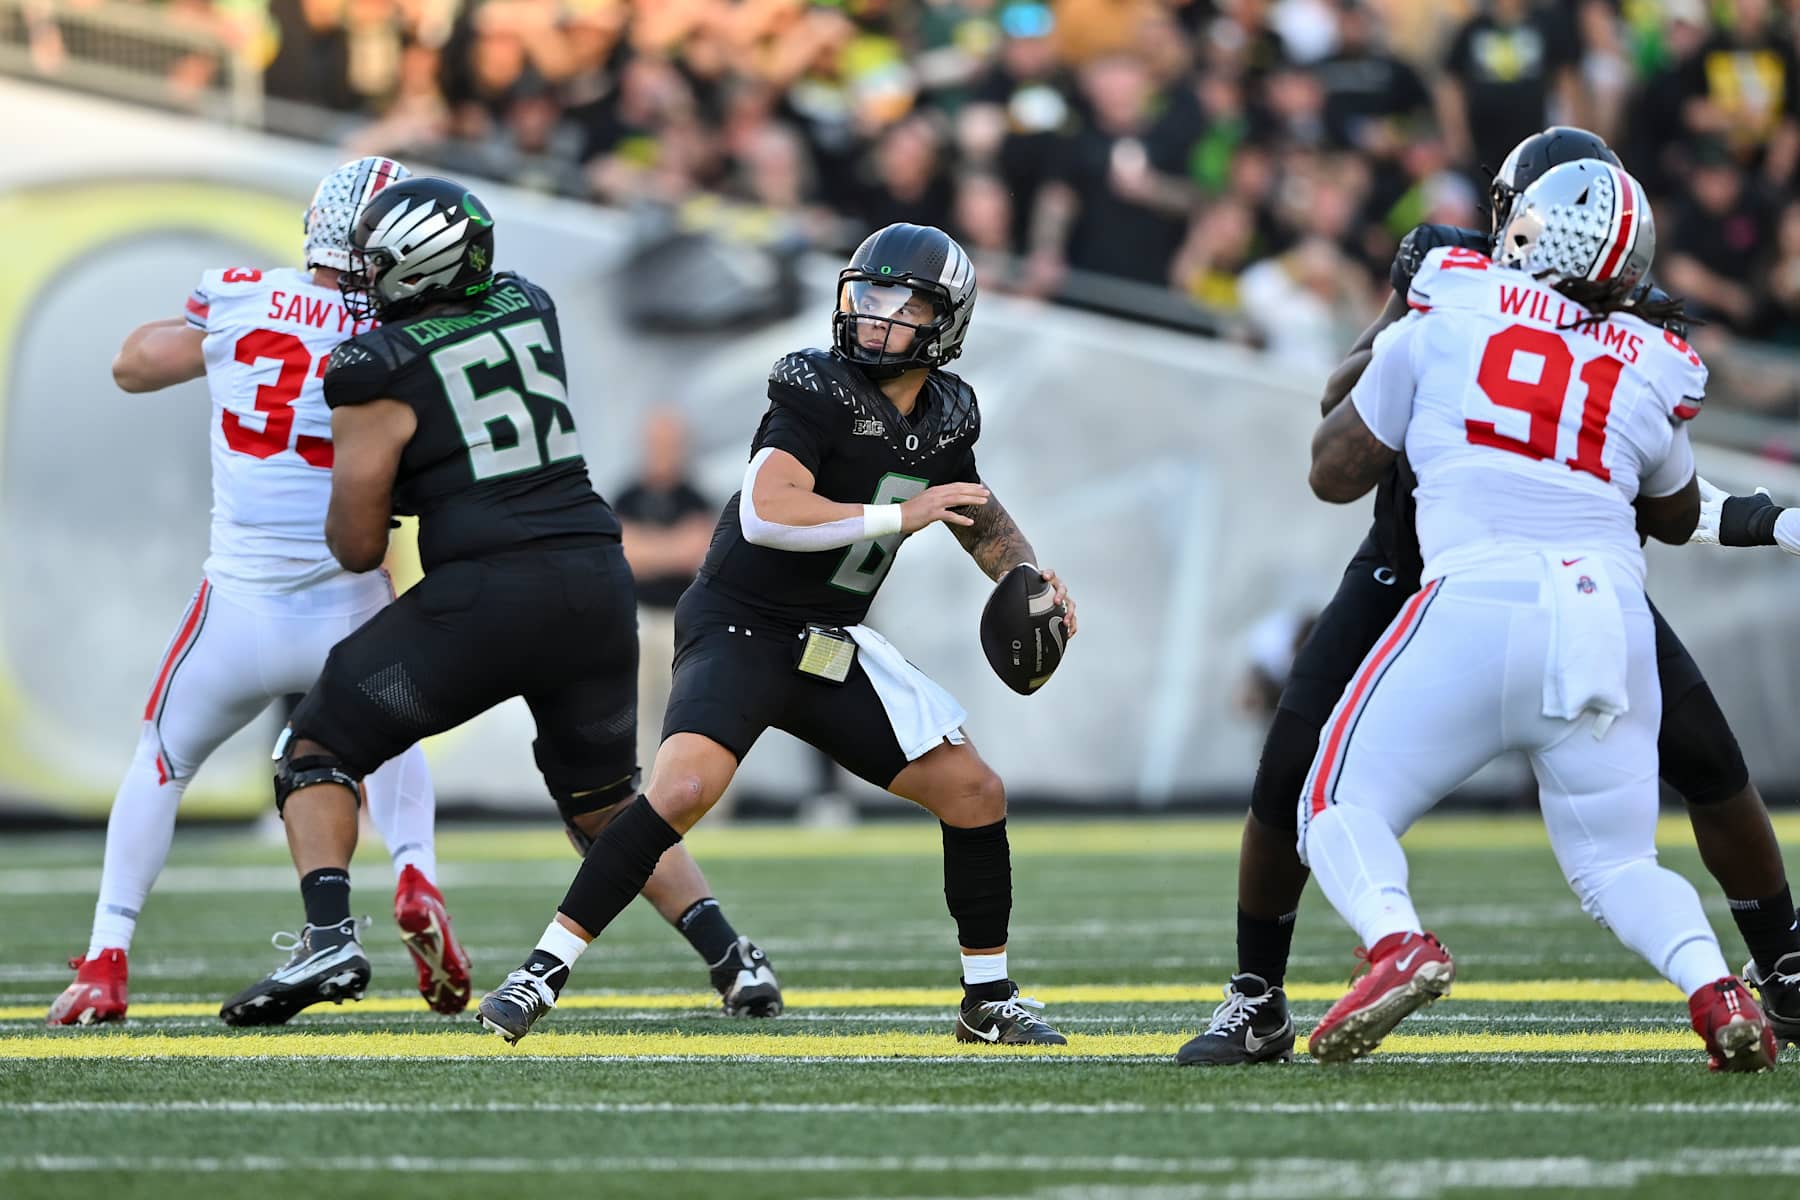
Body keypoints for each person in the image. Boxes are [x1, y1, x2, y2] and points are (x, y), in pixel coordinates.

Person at [1179, 126, 1800, 1066]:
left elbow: (1336, 451)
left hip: (1476, 575)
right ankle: (1258, 994)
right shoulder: (1645, 351)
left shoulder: (1458, 301)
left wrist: (1407, 305)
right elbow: (1670, 505)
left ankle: (1778, 967)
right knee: (1609, 851)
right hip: (1529, 581)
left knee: (1331, 797)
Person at [474, 222, 1078, 1047]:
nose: (876, 317)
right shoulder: (814, 386)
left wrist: (1029, 580)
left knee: (975, 794)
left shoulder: (948, 415)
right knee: (683, 789)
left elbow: (979, 516)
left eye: (901, 304)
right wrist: (899, 514)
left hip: (829, 639)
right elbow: (768, 512)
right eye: (868, 296)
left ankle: (988, 999)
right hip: (741, 622)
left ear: (947, 321)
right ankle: (539, 971)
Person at [219, 176, 778, 1025]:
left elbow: (358, 545)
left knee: (317, 746)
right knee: (603, 806)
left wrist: (385, 488)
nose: (368, 281)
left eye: (382, 265)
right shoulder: (529, 302)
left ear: (421, 267)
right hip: (595, 582)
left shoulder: (375, 367)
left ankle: (329, 936)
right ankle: (733, 957)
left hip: (488, 595)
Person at [48, 157, 470, 1025]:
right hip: (350, 595)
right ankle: (419, 875)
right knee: (391, 742)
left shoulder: (244, 295)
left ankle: (106, 959)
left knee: (160, 764)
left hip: (237, 605)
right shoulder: (405, 326)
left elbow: (132, 365)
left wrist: (225, 340)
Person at [614, 409, 715, 790]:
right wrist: (670, 548)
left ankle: (698, 799)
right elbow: (622, 553)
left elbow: (696, 552)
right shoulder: (628, 494)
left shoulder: (694, 497)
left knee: (692, 717)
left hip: (683, 622)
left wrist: (647, 548)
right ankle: (635, 799)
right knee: (634, 718)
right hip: (638, 621)